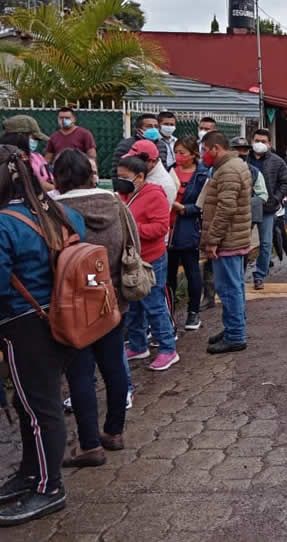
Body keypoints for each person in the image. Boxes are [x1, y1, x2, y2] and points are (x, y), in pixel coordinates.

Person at [0, 145, 86, 526]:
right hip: (65, 320)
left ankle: (49, 488)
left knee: (39, 409)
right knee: (34, 404)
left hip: (23, 324)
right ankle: (30, 474)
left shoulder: (4, 223)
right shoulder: (62, 213)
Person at [51, 149, 133, 468]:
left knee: (81, 374)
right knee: (114, 366)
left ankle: (88, 445)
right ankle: (114, 432)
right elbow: (132, 245)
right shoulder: (114, 203)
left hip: (72, 305)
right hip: (111, 299)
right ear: (90, 173)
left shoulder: (55, 209)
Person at [116, 156, 179, 372]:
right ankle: (137, 345)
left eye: (125, 177)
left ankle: (168, 349)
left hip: (151, 259)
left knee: (154, 304)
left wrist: (131, 228)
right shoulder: (123, 195)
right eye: (118, 176)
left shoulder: (154, 194)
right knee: (133, 305)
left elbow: (161, 228)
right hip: (131, 259)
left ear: (140, 177)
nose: (120, 181)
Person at [199, 131, 252, 354]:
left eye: (204, 150)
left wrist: (213, 240)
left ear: (215, 148)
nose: (202, 155)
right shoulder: (233, 165)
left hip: (228, 240)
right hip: (234, 237)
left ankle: (235, 335)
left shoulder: (228, 170)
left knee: (229, 288)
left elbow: (226, 209)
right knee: (235, 286)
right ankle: (233, 327)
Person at [168, 137, 209, 332]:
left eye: (183, 153)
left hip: (189, 226)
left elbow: (203, 204)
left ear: (193, 154)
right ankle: (169, 313)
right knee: (168, 274)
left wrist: (183, 208)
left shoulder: (202, 175)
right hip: (167, 227)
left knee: (192, 270)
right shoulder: (168, 171)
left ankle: (193, 312)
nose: (178, 156)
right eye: (176, 152)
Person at [248, 129, 287, 290]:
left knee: (266, 244)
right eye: (257, 140)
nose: (260, 144)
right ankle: (239, 273)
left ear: (269, 143)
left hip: (267, 208)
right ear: (252, 141)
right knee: (242, 243)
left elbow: (286, 182)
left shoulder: (277, 161)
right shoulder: (245, 159)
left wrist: (276, 198)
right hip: (246, 208)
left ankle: (259, 275)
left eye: (263, 141)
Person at [122, 139, 178, 210]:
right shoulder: (139, 173)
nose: (132, 164)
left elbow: (160, 217)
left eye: (137, 161)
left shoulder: (166, 185)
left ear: (152, 162)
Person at [112, 113, 166, 178]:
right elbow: (116, 170)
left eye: (156, 126)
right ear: (138, 130)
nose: (154, 129)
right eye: (149, 126)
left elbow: (164, 167)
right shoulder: (126, 145)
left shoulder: (161, 145)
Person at [0, 127, 53, 193]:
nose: (34, 142)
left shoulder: (37, 156)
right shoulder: (14, 160)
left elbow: (50, 177)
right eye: (32, 138)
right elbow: (36, 184)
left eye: (37, 139)